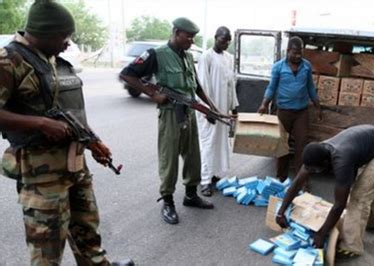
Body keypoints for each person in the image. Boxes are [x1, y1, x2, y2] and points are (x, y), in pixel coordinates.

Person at [0, 1, 133, 265]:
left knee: (87, 232)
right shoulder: (9, 61)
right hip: (42, 176)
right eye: (64, 36)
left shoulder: (53, 61)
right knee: (46, 250)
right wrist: (40, 124)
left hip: (74, 165)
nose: (68, 43)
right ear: (44, 33)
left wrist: (93, 141)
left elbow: (69, 112)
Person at [120, 17, 224, 225]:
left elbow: (197, 87)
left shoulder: (186, 56)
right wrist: (153, 94)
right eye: (188, 36)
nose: (191, 41)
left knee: (193, 155)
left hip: (188, 112)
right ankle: (167, 202)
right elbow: (128, 75)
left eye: (193, 37)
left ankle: (191, 195)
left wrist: (211, 108)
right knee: (169, 159)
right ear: (176, 32)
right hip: (169, 114)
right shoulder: (156, 54)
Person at [276, 125, 374, 258]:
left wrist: (322, 233)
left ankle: (352, 246)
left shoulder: (341, 161)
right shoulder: (315, 153)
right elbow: (296, 184)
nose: (312, 173)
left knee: (358, 197)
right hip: (370, 144)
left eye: (316, 170)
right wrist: (281, 212)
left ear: (326, 162)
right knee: (365, 187)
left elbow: (339, 205)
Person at [257, 36, 322, 182]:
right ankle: (281, 177)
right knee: (282, 145)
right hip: (283, 112)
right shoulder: (278, 67)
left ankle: (300, 179)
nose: (298, 56)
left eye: (300, 52)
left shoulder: (306, 66)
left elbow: (310, 87)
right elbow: (271, 87)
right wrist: (264, 104)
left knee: (302, 145)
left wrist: (318, 106)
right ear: (288, 51)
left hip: (301, 113)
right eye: (295, 53)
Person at [196, 26, 239, 196]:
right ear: (215, 38)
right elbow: (203, 87)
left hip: (223, 109)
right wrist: (208, 111)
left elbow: (231, 84)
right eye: (223, 40)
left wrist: (234, 106)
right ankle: (205, 181)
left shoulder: (229, 58)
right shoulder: (206, 57)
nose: (226, 43)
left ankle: (214, 175)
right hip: (209, 110)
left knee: (219, 144)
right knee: (207, 144)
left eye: (228, 41)